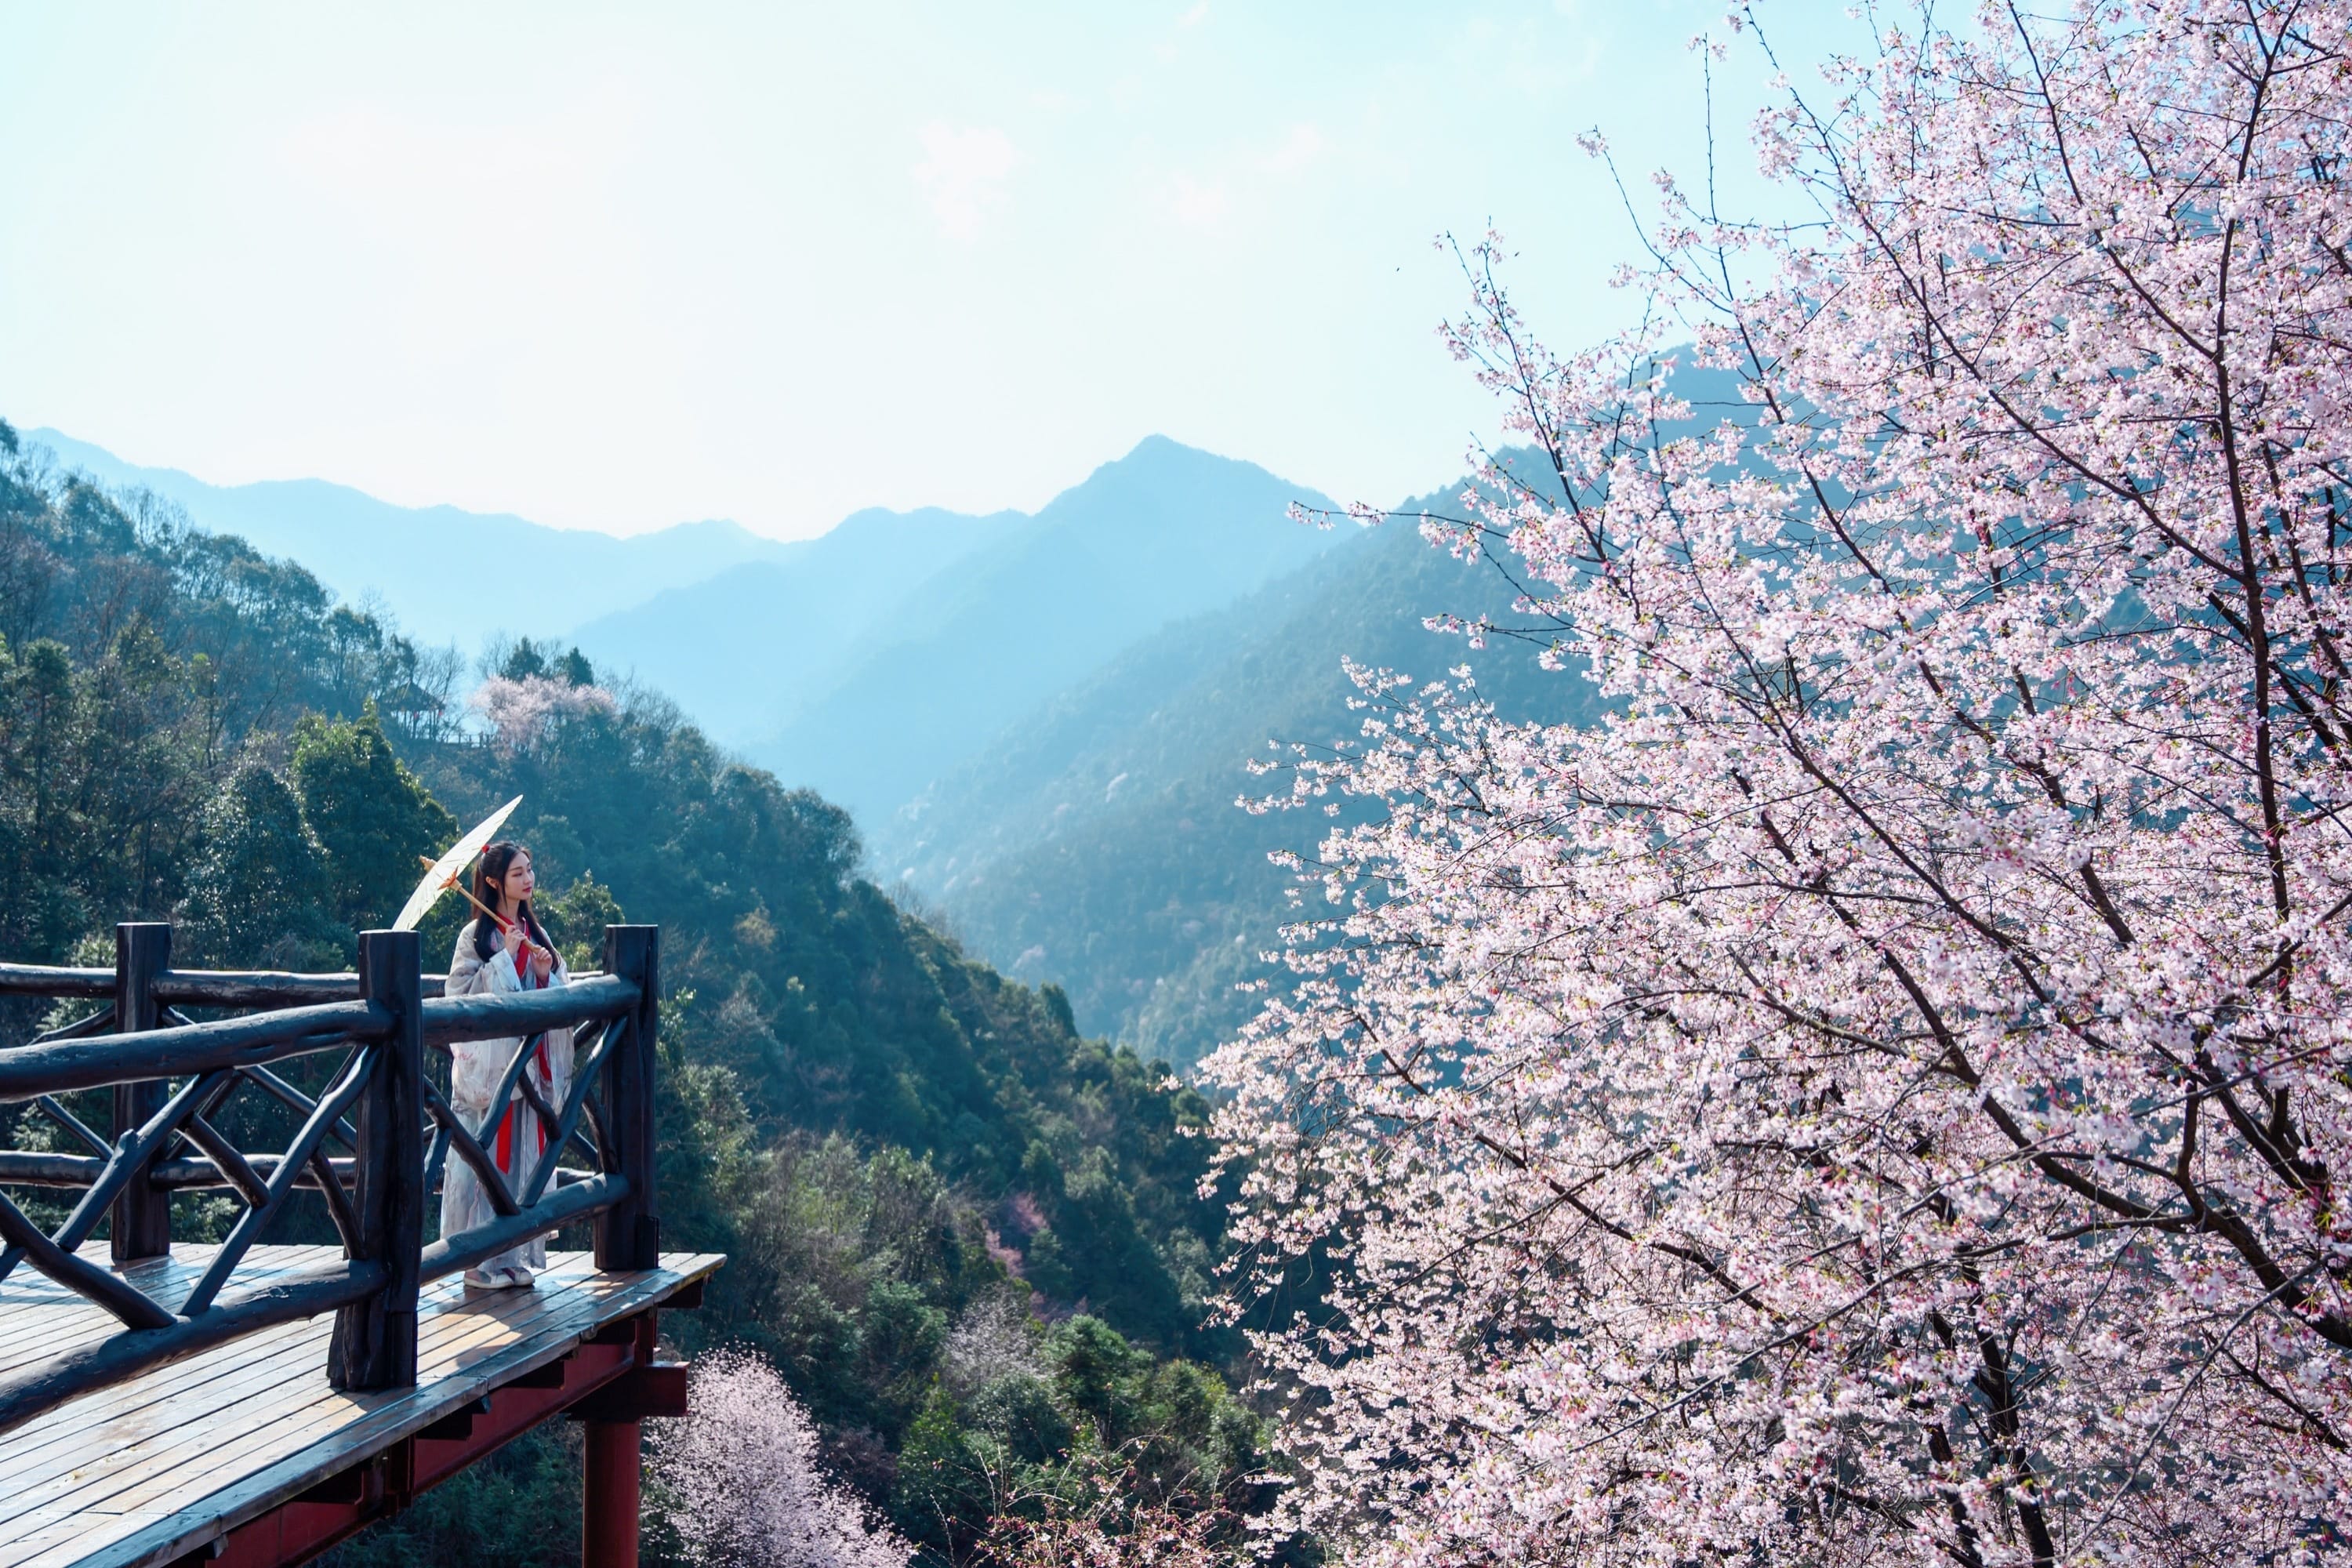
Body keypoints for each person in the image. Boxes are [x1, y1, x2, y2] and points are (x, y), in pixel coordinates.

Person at [441, 840, 572, 1289]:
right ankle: (477, 1262)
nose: (528, 879)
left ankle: (511, 1255)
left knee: (520, 1160)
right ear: (495, 881)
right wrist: (501, 958)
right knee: (483, 1162)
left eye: (530, 870)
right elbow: (458, 997)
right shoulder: (475, 937)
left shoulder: (536, 932)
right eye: (518, 873)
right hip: (490, 1074)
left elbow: (555, 989)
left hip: (527, 1068)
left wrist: (541, 972)